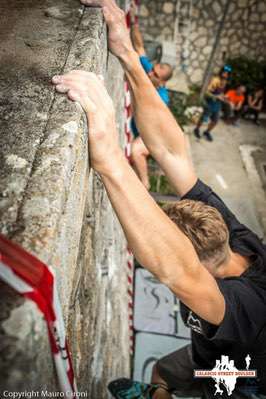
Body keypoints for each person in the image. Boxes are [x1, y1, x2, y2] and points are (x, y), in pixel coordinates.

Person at [53, 1, 266, 398]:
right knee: (165, 370)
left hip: (237, 380)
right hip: (207, 357)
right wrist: (128, 56)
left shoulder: (245, 306)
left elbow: (177, 271)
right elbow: (172, 154)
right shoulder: (230, 236)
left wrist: (110, 157)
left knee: (200, 387)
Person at [130, 17, 173, 189]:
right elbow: (139, 47)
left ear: (162, 82)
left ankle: (145, 185)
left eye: (155, 75)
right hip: (140, 128)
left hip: (156, 134)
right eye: (152, 70)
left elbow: (156, 127)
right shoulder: (150, 73)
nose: (150, 74)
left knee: (136, 151)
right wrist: (134, 22)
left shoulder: (161, 98)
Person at [194, 68, 230, 142]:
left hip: (218, 104)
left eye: (227, 73)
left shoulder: (225, 82)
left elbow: (221, 93)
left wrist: (223, 97)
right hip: (210, 103)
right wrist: (216, 96)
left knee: (215, 120)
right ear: (221, 72)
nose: (225, 74)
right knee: (203, 118)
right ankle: (197, 129)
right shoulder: (215, 80)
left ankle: (207, 132)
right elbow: (207, 93)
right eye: (224, 72)